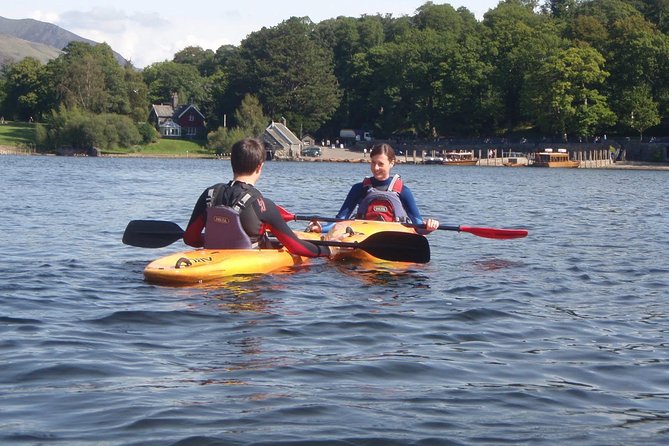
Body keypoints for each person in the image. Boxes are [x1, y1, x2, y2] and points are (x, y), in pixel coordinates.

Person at [183, 137, 338, 258]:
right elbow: (296, 247)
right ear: (259, 166)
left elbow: (190, 238)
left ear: (232, 163)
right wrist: (327, 250)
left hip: (213, 262)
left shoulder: (210, 194)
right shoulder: (263, 205)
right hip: (248, 274)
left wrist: (214, 240)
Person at [309, 143, 439, 234]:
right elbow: (341, 220)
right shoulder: (359, 188)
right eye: (373, 163)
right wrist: (321, 228)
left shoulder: (403, 191)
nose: (375, 168)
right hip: (364, 237)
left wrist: (429, 226)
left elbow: (418, 226)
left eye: (380, 164)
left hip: (394, 240)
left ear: (392, 163)